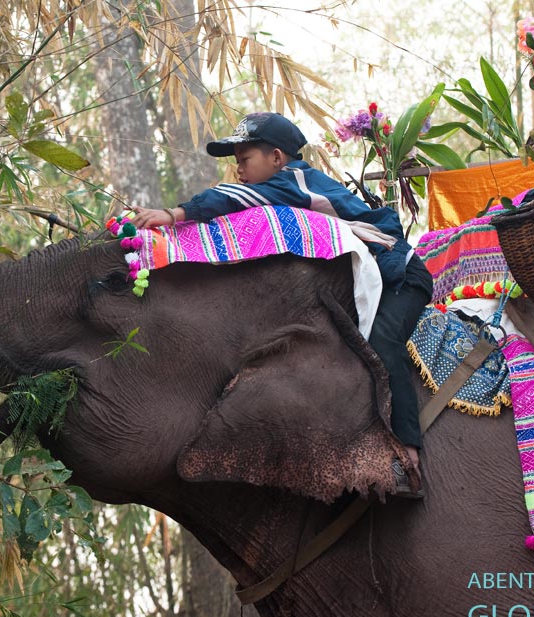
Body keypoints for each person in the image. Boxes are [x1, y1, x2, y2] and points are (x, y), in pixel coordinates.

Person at [131, 112, 433, 499]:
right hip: (368, 280)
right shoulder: (286, 191)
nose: (239, 170)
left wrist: (173, 215)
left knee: (383, 342)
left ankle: (408, 452)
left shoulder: (292, 181)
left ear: (276, 157)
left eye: (244, 159)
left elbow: (231, 198)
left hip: (401, 276)